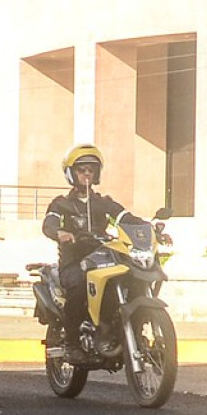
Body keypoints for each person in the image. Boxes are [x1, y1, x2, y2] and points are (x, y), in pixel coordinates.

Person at [42, 144, 145, 363]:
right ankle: (72, 343)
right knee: (78, 284)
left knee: (130, 278)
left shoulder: (103, 203)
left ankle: (118, 330)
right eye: (82, 169)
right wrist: (60, 233)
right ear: (71, 173)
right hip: (73, 261)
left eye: (91, 169)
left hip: (103, 259)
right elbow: (49, 224)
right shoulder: (61, 204)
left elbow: (125, 218)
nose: (87, 173)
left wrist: (148, 228)